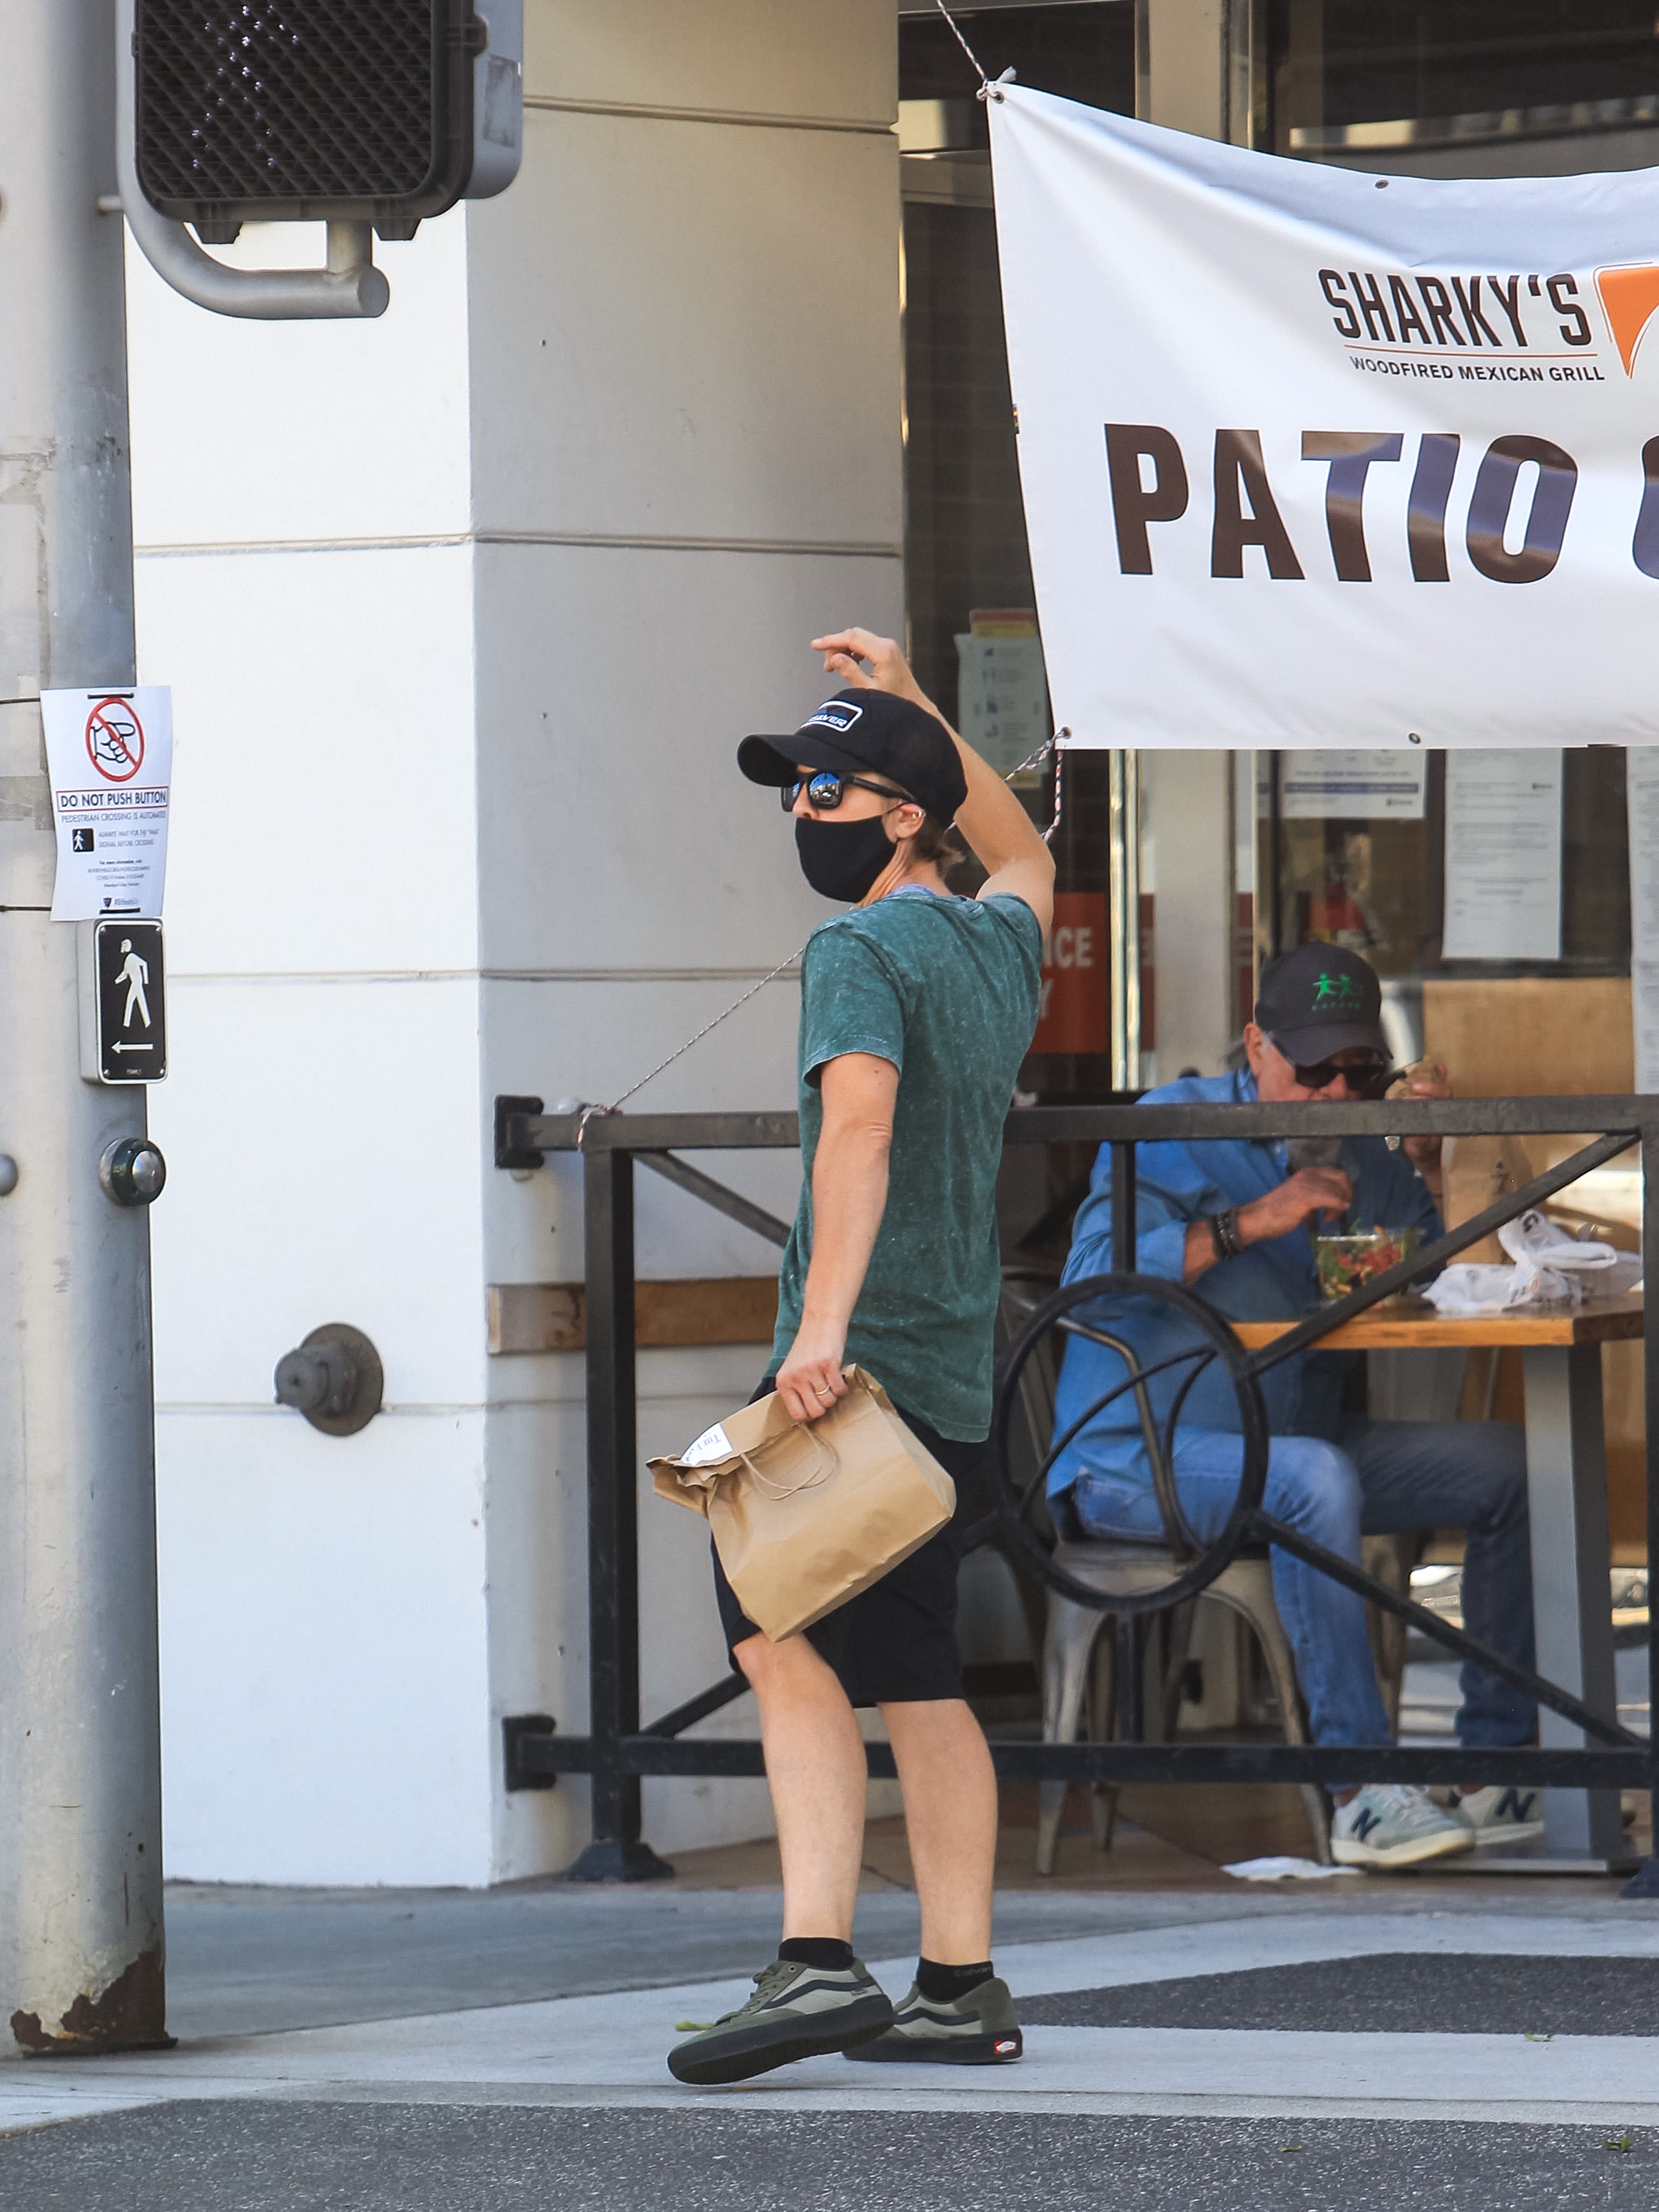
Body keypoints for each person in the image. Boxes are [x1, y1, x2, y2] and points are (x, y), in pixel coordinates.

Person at [667, 629, 1054, 2087]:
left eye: (824, 788)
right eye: (791, 788)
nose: (797, 811)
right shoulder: (994, 938)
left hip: (860, 1364)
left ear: (899, 814)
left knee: (773, 1633)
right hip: (955, 1367)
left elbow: (858, 1131)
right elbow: (1013, 846)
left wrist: (816, 1337)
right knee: (913, 1667)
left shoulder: (856, 946)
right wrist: (908, 706)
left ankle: (817, 1957)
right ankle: (957, 1983)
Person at [1048, 942, 1539, 1869]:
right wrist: (1249, 1223)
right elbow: (1087, 1275)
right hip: (1133, 1454)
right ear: (1254, 1047)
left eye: (1357, 1067)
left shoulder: (1359, 1139)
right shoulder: (1171, 1121)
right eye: (1312, 1066)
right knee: (1311, 1478)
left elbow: (1442, 1270)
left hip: (1294, 1436)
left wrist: (1433, 1163)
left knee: (1505, 1467)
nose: (1330, 1089)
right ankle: (1357, 1787)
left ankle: (1495, 1765)